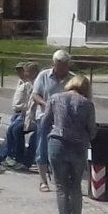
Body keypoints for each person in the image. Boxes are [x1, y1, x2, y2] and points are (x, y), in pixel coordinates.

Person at [42, 74, 97, 214]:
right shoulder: (87, 104)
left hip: (57, 144)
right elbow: (92, 130)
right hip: (78, 147)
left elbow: (45, 122)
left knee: (61, 186)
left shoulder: (54, 98)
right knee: (75, 185)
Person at [31, 51, 72, 185]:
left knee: (61, 150)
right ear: (54, 63)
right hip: (45, 117)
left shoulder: (72, 79)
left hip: (64, 120)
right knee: (42, 148)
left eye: (65, 64)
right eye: (59, 64)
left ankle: (59, 178)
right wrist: (47, 104)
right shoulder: (44, 76)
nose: (62, 67)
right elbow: (35, 95)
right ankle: (43, 180)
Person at [0, 63, 38, 169]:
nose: (23, 73)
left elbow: (32, 100)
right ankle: (6, 156)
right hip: (21, 113)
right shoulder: (23, 82)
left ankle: (20, 159)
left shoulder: (34, 83)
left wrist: (26, 110)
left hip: (29, 114)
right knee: (12, 131)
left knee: (17, 131)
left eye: (26, 71)